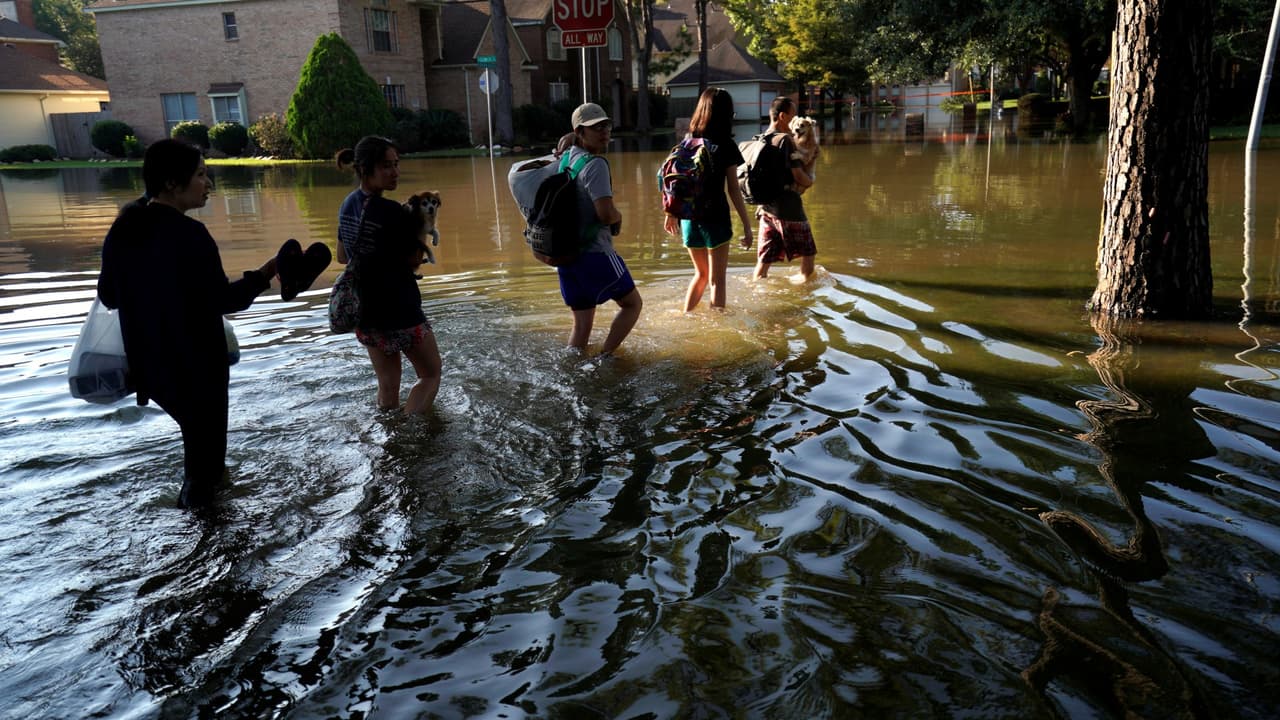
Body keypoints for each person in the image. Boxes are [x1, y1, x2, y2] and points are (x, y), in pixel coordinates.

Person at [97, 139, 280, 509]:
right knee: (205, 466)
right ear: (171, 183)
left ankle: (207, 514)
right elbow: (225, 301)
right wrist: (266, 273)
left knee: (199, 448)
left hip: (150, 368)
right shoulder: (191, 235)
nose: (208, 183)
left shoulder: (124, 228)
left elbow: (109, 296)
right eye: (200, 175)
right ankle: (206, 532)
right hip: (198, 365)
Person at [335, 136, 442, 415]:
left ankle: (390, 432)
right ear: (365, 169)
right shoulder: (392, 211)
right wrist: (422, 224)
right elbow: (414, 260)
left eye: (396, 164)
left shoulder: (347, 205)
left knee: (388, 384)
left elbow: (342, 256)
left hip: (366, 311)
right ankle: (410, 431)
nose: (395, 172)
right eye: (386, 166)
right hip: (400, 308)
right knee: (430, 374)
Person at [558, 103, 643, 356]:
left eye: (606, 125)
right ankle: (606, 358)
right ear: (580, 132)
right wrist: (619, 216)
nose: (604, 131)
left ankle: (573, 366)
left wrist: (571, 138)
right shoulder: (596, 165)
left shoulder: (566, 158)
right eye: (596, 127)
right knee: (632, 305)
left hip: (567, 256)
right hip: (596, 254)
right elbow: (605, 214)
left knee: (581, 325)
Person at [663, 87, 753, 311]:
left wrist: (671, 212)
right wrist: (746, 224)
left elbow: (676, 181)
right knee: (717, 280)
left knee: (700, 274)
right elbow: (733, 189)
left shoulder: (687, 142)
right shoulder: (726, 145)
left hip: (689, 219)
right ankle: (718, 326)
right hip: (715, 218)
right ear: (726, 114)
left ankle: (686, 316)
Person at [752, 96, 816, 280]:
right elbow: (799, 176)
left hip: (766, 208)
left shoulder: (760, 138)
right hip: (789, 207)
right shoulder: (786, 141)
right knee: (808, 256)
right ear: (782, 116)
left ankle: (758, 290)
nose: (795, 120)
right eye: (793, 115)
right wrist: (810, 182)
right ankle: (804, 294)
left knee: (764, 261)